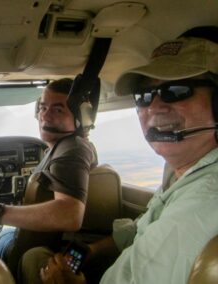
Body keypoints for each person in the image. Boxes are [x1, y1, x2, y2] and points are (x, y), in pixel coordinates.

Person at [21, 26, 218, 284]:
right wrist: (91, 251)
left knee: (31, 260)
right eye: (145, 96)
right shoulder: (184, 172)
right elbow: (140, 228)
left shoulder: (201, 205)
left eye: (177, 91)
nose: (155, 107)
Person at [0, 78, 98, 273]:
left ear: (81, 117)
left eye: (58, 109)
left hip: (21, 248)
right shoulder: (72, 146)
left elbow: (71, 214)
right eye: (43, 107)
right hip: (33, 238)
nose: (45, 116)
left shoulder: (72, 150)